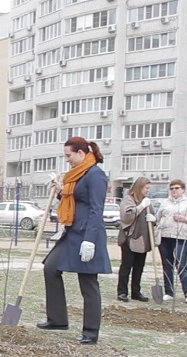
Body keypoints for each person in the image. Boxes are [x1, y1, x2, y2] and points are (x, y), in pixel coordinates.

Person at [37, 137, 112, 345]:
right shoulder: (77, 175)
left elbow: (96, 209)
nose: (67, 160)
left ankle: (90, 332)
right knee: (50, 267)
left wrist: (90, 240)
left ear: (81, 153)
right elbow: (76, 200)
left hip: (88, 235)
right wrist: (60, 190)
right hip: (72, 232)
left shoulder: (95, 175)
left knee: (88, 282)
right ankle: (58, 319)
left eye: (69, 155)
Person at [155, 179, 187, 303]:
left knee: (181, 265)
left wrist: (184, 218)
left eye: (176, 188)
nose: (174, 191)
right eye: (172, 188)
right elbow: (158, 217)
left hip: (181, 237)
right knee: (167, 265)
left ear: (183, 190)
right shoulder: (165, 203)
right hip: (165, 237)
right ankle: (169, 292)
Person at [116, 177, 155, 302]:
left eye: (149, 188)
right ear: (139, 187)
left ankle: (136, 292)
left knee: (139, 267)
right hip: (129, 238)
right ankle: (122, 292)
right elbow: (128, 215)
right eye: (146, 188)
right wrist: (141, 207)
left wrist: (153, 219)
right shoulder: (128, 199)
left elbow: (153, 216)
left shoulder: (146, 200)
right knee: (126, 266)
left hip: (143, 239)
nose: (147, 191)